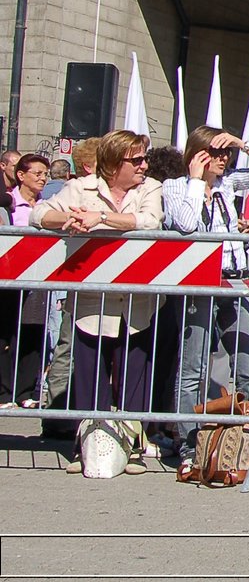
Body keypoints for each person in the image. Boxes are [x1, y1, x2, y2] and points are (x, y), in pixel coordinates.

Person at [31, 130, 163, 471]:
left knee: (134, 374)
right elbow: (40, 214)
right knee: (89, 374)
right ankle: (88, 443)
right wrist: (69, 219)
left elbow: (150, 221)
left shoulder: (150, 188)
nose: (143, 165)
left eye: (143, 159)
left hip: (137, 304)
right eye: (135, 160)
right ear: (112, 163)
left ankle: (132, 446)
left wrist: (102, 218)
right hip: (90, 302)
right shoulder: (80, 187)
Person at [162, 125, 249, 475]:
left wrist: (243, 144)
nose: (222, 160)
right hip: (199, 286)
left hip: (233, 283)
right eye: (214, 153)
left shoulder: (229, 183)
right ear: (197, 155)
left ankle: (247, 442)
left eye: (224, 153)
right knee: (193, 368)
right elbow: (186, 226)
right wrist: (196, 181)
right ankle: (189, 446)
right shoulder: (175, 187)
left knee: (248, 363)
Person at [0, 155, 50, 407]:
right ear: (21, 175)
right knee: (4, 334)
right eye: (38, 173)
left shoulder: (48, 206)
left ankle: (25, 392)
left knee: (32, 332)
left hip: (37, 278)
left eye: (45, 174)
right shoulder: (8, 203)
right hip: (8, 278)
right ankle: (2, 393)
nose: (43, 178)